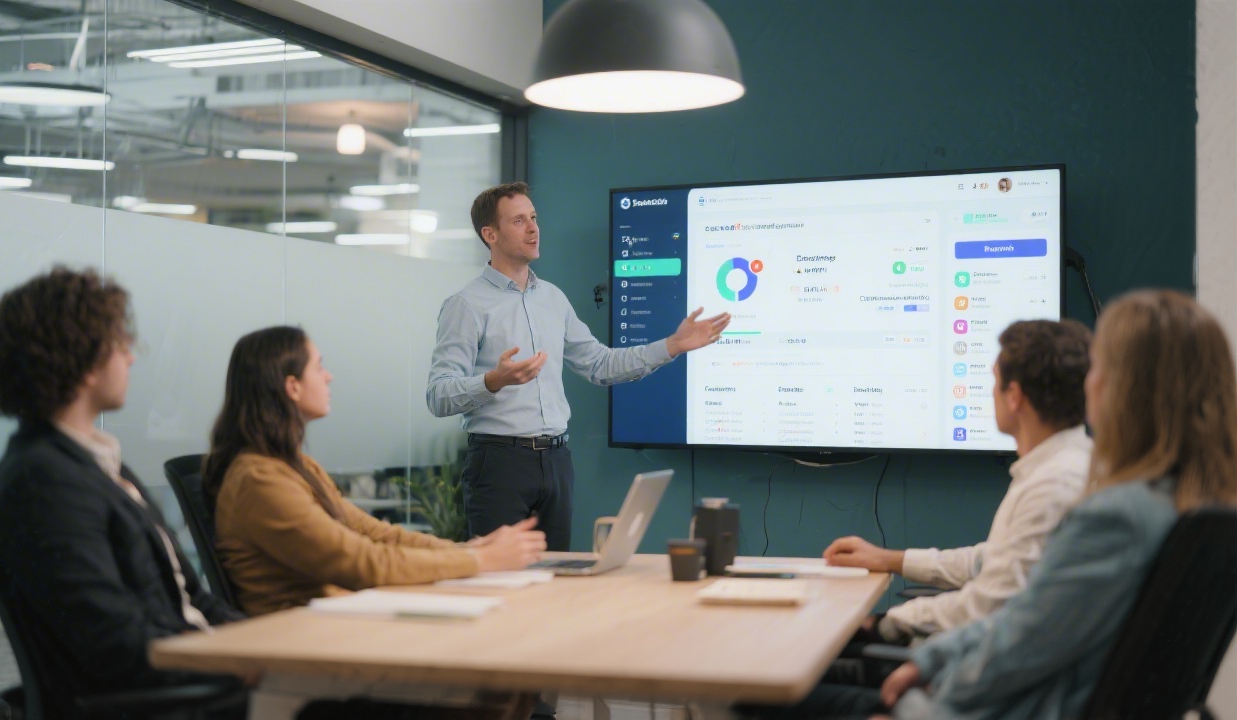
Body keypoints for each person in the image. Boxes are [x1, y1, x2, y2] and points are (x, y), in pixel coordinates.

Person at [804, 290, 1237, 719]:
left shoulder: (1116, 515)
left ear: (1124, 388)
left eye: (1100, 366)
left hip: (1002, 708)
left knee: (775, 694)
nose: (1090, 381)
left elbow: (1022, 638)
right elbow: (1026, 612)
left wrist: (928, 679)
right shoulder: (1183, 508)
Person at [0, 267, 246, 709]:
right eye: (121, 344)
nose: (132, 358)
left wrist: (265, 642)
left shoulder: (99, 465)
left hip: (204, 680)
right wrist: (243, 664)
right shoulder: (42, 482)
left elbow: (190, 599)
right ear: (82, 361)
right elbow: (115, 644)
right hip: (180, 698)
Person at [427, 182, 731, 550]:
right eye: (519, 220)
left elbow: (601, 364)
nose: (534, 228)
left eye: (534, 218)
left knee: (556, 583)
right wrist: (492, 381)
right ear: (490, 234)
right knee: (502, 583)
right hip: (499, 464)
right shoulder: (466, 304)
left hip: (556, 462)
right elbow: (439, 394)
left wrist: (671, 345)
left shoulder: (553, 298)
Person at [205, 326, 546, 617]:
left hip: (336, 622)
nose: (329, 376)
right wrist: (479, 560)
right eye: (319, 367)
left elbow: (376, 534)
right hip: (303, 639)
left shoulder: (293, 465)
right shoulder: (259, 479)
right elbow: (362, 563)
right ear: (292, 387)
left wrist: (467, 552)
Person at [825, 319, 1093, 644]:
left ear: (1014, 397)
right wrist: (889, 560)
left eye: (994, 381)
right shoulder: (1065, 465)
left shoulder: (1053, 486)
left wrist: (886, 622)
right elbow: (989, 562)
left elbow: (989, 606)